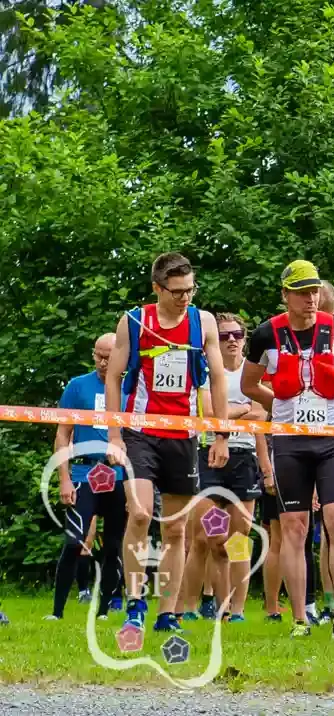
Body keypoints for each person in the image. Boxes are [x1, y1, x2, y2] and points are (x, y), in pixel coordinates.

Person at [240, 261, 334, 641]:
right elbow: (249, 384)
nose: (311, 298)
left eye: (315, 290)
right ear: (285, 295)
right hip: (290, 443)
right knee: (294, 527)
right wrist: (280, 407)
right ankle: (300, 619)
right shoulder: (266, 334)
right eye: (302, 291)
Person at [102, 252, 235, 633]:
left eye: (190, 290)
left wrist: (220, 433)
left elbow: (218, 379)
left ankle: (167, 613)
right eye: (177, 292)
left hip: (184, 434)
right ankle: (134, 602)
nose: (185, 298)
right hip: (140, 430)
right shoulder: (134, 321)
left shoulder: (203, 322)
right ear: (157, 288)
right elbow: (114, 378)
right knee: (141, 514)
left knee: (175, 529)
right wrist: (114, 435)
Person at [201, 313, 273, 624]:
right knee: (215, 539)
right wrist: (242, 409)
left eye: (238, 334)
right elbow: (206, 413)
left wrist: (229, 413)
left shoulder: (255, 372)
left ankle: (239, 611)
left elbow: (260, 417)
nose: (232, 339)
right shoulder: (207, 370)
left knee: (240, 537)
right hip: (210, 457)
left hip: (244, 457)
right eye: (225, 335)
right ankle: (221, 607)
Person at [52, 333, 123, 623]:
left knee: (114, 545)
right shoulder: (77, 386)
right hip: (84, 472)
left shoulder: (129, 387)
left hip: (119, 475)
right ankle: (57, 612)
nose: (104, 362)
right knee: (74, 541)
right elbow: (62, 435)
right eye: (99, 356)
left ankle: (105, 610)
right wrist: (64, 479)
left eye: (110, 356)